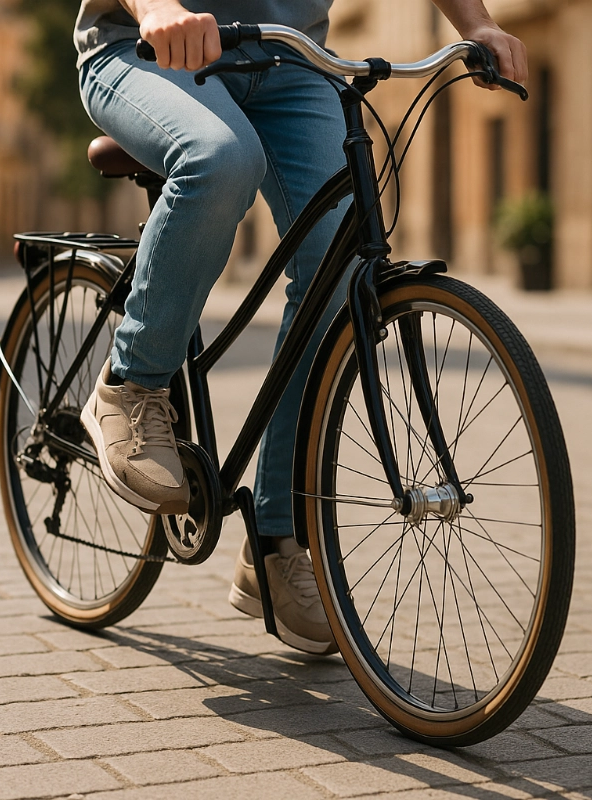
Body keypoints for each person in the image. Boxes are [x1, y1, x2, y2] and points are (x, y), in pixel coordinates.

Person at [75, 0, 528, 655]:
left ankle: (276, 538)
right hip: (148, 51)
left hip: (293, 62)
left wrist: (477, 25)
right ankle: (131, 383)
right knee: (220, 161)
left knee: (340, 261)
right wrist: (158, 8)